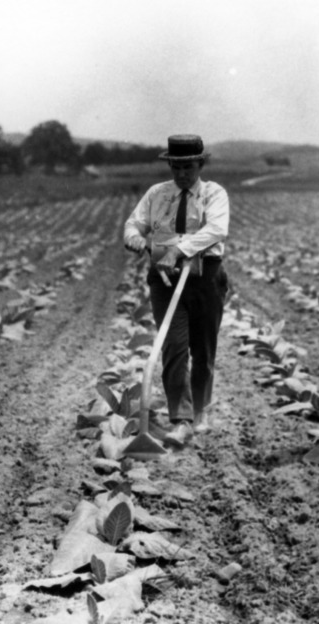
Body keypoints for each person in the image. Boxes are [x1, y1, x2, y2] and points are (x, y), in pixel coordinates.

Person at [123, 135, 230, 445]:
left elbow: (216, 230)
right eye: (176, 167)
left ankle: (201, 410)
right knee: (173, 346)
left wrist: (179, 250)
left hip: (205, 277)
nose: (182, 173)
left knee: (204, 349)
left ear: (200, 164)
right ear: (169, 164)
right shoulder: (157, 194)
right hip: (165, 280)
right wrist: (136, 239)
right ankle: (180, 419)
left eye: (188, 166)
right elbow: (134, 224)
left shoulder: (213, 194)